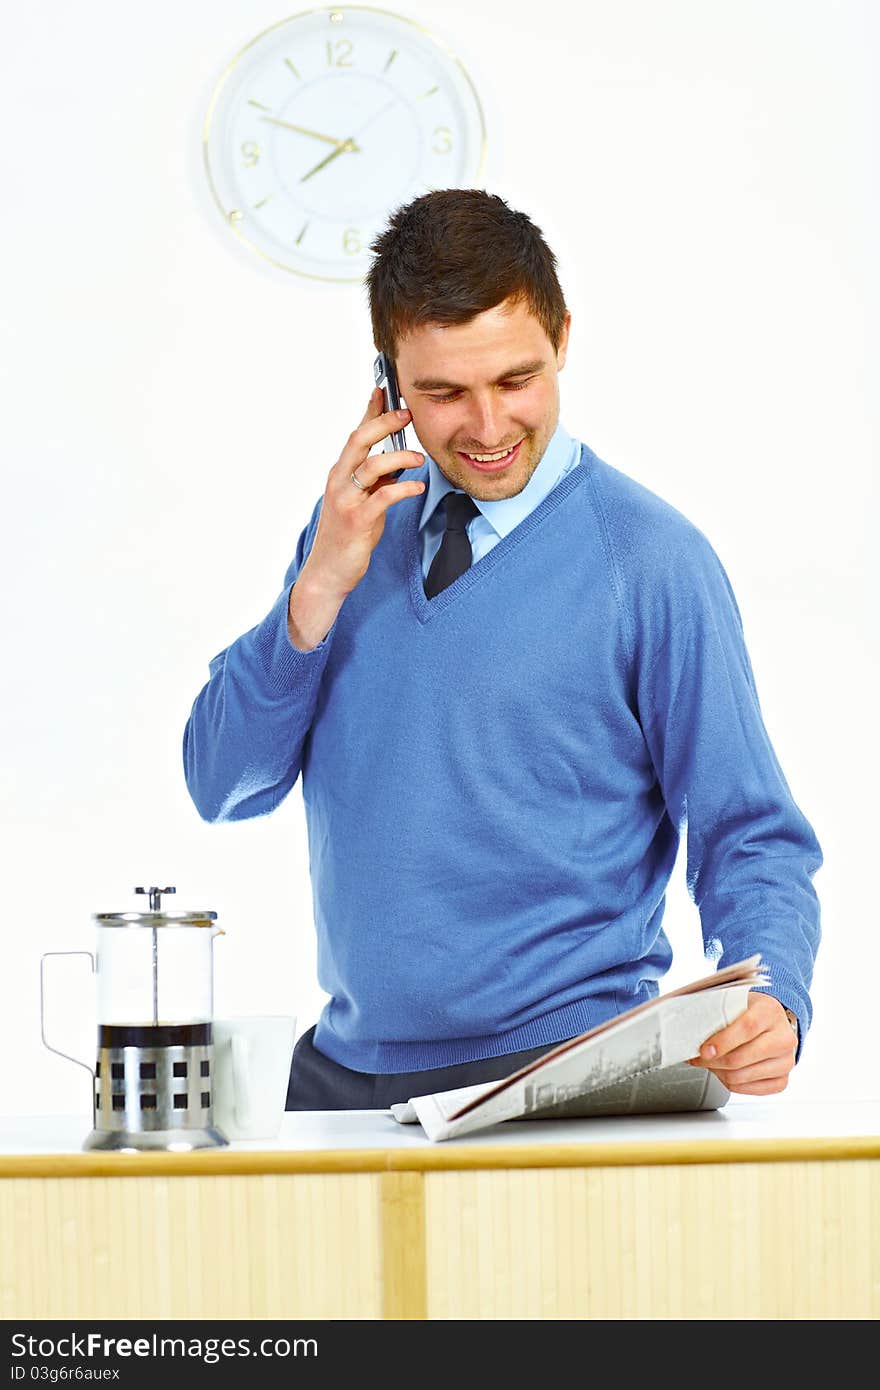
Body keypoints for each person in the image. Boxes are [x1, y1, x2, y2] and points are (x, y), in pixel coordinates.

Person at [183, 188, 822, 1111]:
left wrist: (776, 997)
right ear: (388, 382)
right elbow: (221, 786)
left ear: (562, 337)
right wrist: (316, 584)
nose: (487, 429)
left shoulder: (649, 561)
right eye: (443, 393)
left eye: (516, 380)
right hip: (345, 1077)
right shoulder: (348, 541)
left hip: (564, 1073)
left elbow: (750, 831)